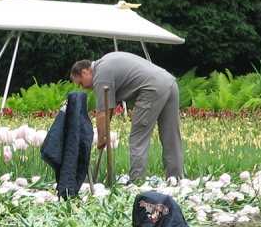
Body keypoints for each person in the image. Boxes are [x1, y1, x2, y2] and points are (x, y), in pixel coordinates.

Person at [70, 51, 184, 182]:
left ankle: (136, 182)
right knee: (171, 136)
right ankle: (176, 179)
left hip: (151, 89)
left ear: (85, 72)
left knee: (138, 138)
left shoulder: (101, 76)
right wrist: (105, 132)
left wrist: (101, 138)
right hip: (169, 81)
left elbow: (103, 113)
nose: (83, 87)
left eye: (80, 83)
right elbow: (109, 108)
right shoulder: (106, 61)